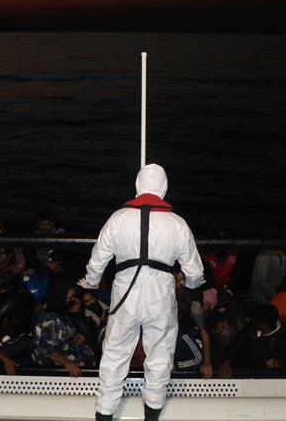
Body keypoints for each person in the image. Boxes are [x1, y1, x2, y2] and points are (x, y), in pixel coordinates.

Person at [78, 164, 204, 421]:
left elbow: (98, 260)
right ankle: (152, 412)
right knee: (159, 352)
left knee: (115, 352)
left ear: (137, 185)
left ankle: (105, 412)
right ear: (165, 188)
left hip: (126, 293)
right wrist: (191, 285)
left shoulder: (118, 218)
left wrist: (91, 282)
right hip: (160, 295)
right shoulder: (178, 224)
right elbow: (194, 271)